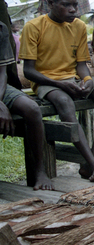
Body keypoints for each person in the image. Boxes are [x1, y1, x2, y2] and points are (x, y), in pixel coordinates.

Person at [20, 0, 94, 183]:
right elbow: (29, 71)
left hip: (72, 78)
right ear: (51, 3)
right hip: (46, 81)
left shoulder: (79, 26)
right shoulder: (33, 27)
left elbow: (81, 64)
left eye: (75, 5)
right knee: (65, 103)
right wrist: (60, 84)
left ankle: (93, 158)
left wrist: (88, 80)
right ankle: (93, 164)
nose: (73, 9)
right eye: (67, 5)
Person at [0, 20, 51, 190]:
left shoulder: (1, 28)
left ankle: (40, 171)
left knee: (32, 109)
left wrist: (0, 103)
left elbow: (2, 73)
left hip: (0, 88)